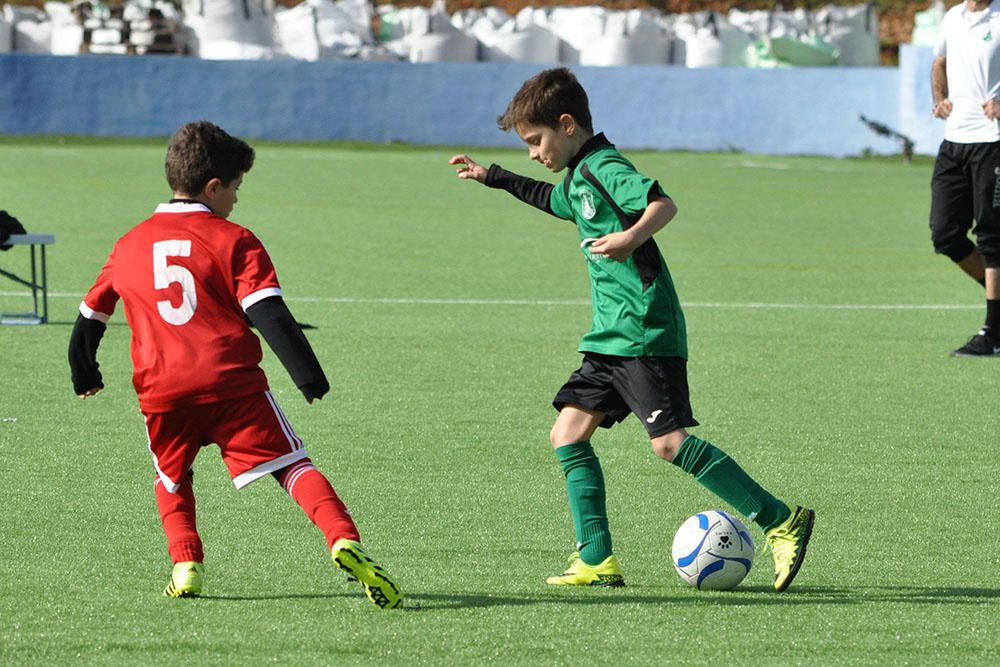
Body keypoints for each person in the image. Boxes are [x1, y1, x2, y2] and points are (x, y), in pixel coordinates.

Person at [449, 68, 814, 591]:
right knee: (567, 434)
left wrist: (630, 237)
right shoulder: (577, 178)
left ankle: (781, 520)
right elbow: (554, 202)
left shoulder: (605, 166)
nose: (533, 153)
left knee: (668, 444)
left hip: (643, 329)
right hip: (608, 337)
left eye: (536, 141)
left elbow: (663, 203)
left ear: (568, 125)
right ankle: (597, 559)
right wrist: (496, 177)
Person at [67, 121, 402, 608]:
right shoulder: (235, 239)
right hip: (231, 384)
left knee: (171, 477)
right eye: (236, 188)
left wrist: (85, 372)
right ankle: (343, 539)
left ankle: (185, 566)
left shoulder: (130, 243)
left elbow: (90, 315)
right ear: (213, 187)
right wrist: (309, 377)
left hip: (162, 390)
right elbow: (267, 312)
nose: (237, 200)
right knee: (291, 465)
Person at [930, 0, 1000, 356]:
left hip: (993, 141)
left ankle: (994, 333)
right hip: (954, 142)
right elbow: (939, 61)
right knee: (945, 233)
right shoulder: (952, 17)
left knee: (992, 237)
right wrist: (939, 97)